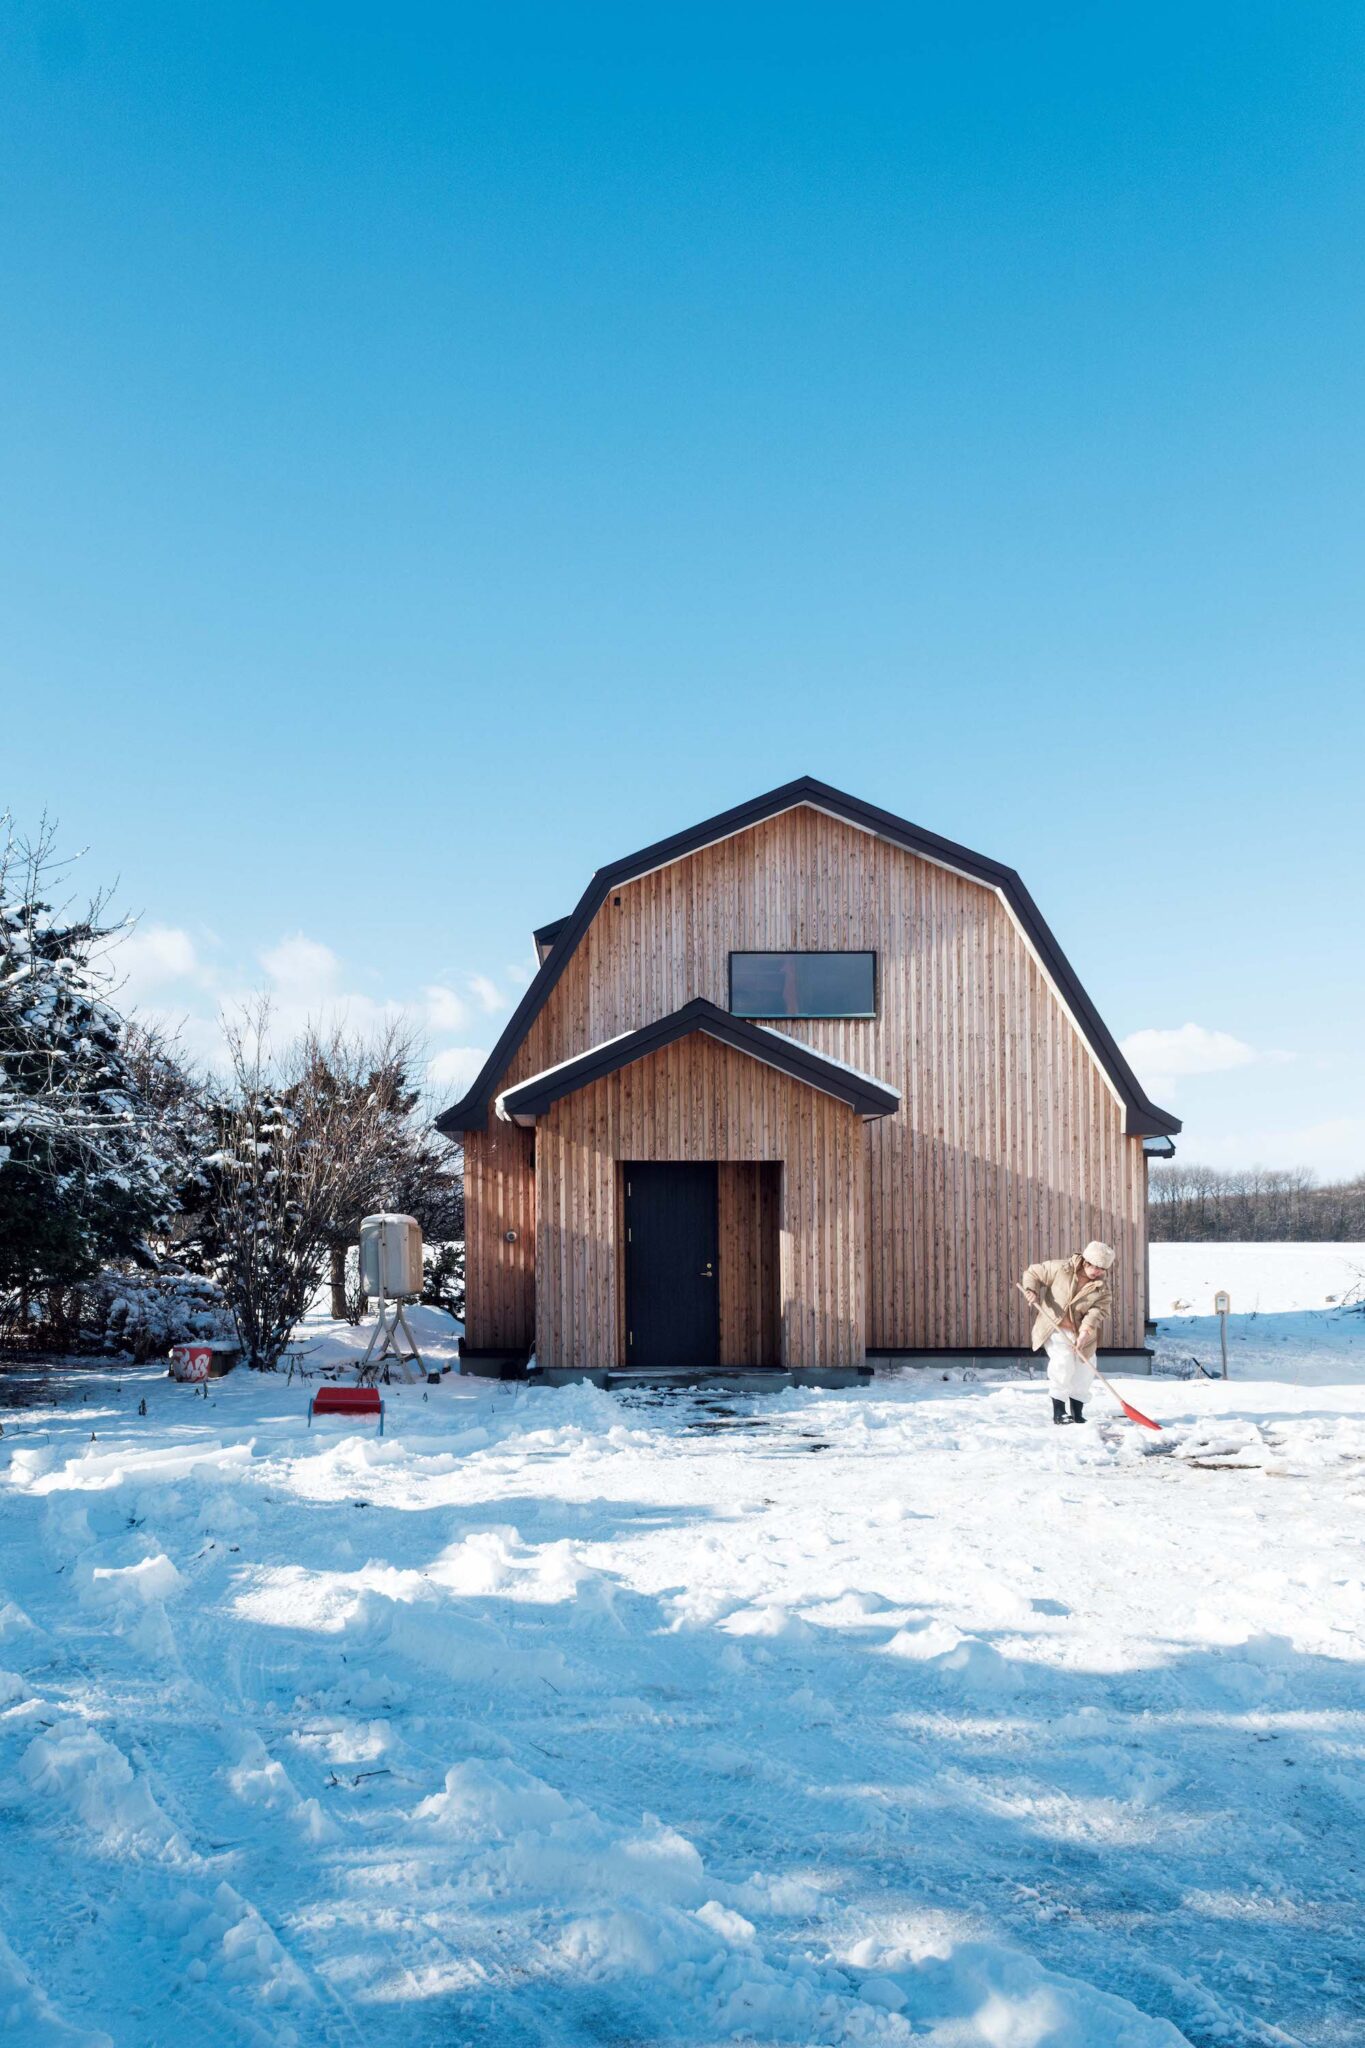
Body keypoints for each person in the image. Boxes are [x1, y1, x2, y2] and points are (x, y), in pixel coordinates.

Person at [1020, 1241, 1116, 1424]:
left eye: (1102, 1269)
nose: (1098, 1272)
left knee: (1085, 1369)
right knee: (1063, 1363)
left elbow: (1097, 1312)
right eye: (1095, 1266)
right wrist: (1030, 1290)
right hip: (1055, 1327)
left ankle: (1077, 1413)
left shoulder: (1101, 1289)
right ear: (1086, 1261)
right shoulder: (1060, 1269)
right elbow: (1032, 1272)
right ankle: (1059, 1412)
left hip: (1082, 1333)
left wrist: (1085, 1333)